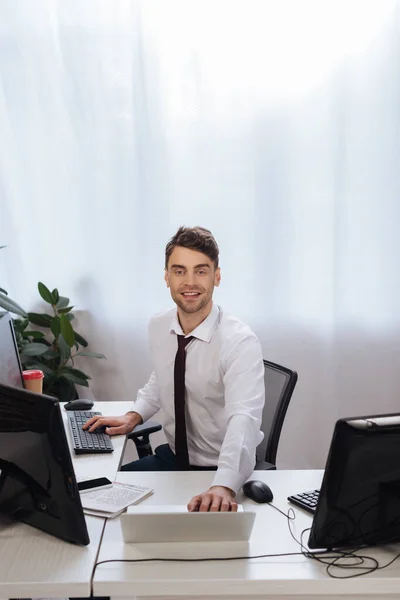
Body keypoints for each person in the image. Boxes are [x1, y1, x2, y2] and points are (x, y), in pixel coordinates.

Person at [83, 226, 265, 512]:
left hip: (218, 469)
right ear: (166, 277)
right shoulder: (159, 325)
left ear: (217, 276)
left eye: (201, 271)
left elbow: (244, 420)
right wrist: (134, 415)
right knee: (93, 496)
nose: (189, 282)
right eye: (179, 271)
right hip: (173, 459)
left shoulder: (239, 342)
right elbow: (164, 378)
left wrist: (224, 484)